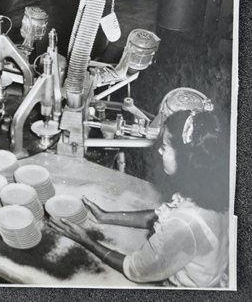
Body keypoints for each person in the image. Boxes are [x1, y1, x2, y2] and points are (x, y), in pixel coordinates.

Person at [49, 110, 229, 287]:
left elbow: (135, 270)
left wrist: (85, 239)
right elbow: (163, 215)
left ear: (185, 159)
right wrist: (106, 216)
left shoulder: (185, 224)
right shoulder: (208, 189)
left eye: (165, 147)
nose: (159, 151)